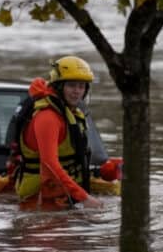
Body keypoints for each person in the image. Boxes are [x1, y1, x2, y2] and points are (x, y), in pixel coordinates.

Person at [15, 56, 102, 211]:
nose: (77, 92)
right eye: (71, 86)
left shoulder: (70, 113)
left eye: (81, 86)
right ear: (59, 87)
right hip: (40, 200)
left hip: (63, 196)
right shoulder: (48, 117)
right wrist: (84, 197)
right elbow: (50, 164)